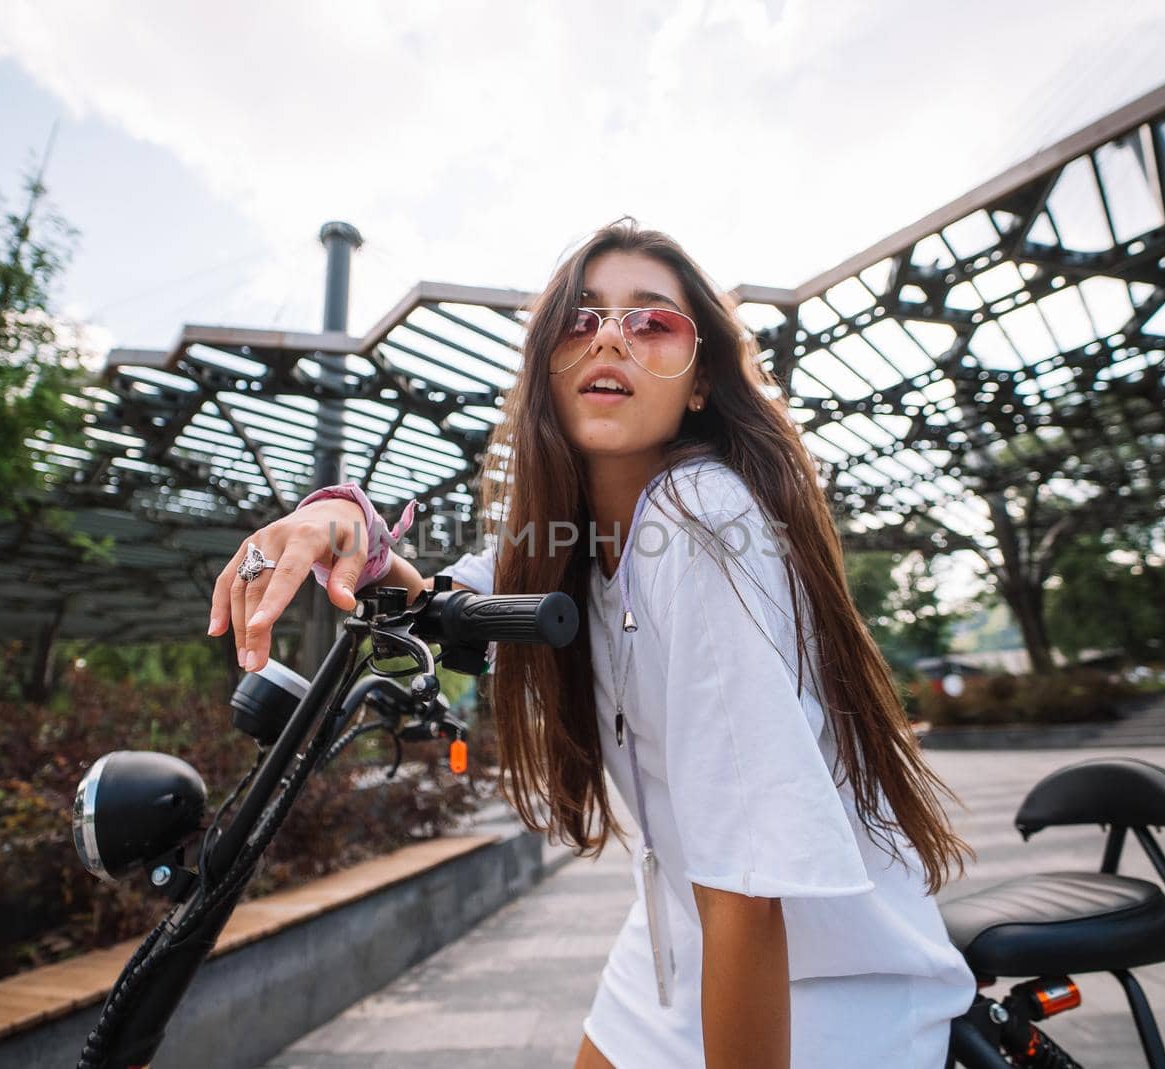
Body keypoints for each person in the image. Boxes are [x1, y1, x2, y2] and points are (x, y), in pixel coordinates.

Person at [209, 218, 975, 1068]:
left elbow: (753, 895)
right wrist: (338, 515)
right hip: (682, 935)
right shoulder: (568, 537)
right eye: (580, 320)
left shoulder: (702, 518)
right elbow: (432, 595)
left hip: (822, 972)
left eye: (652, 322)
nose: (611, 335)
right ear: (550, 370)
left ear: (697, 383)